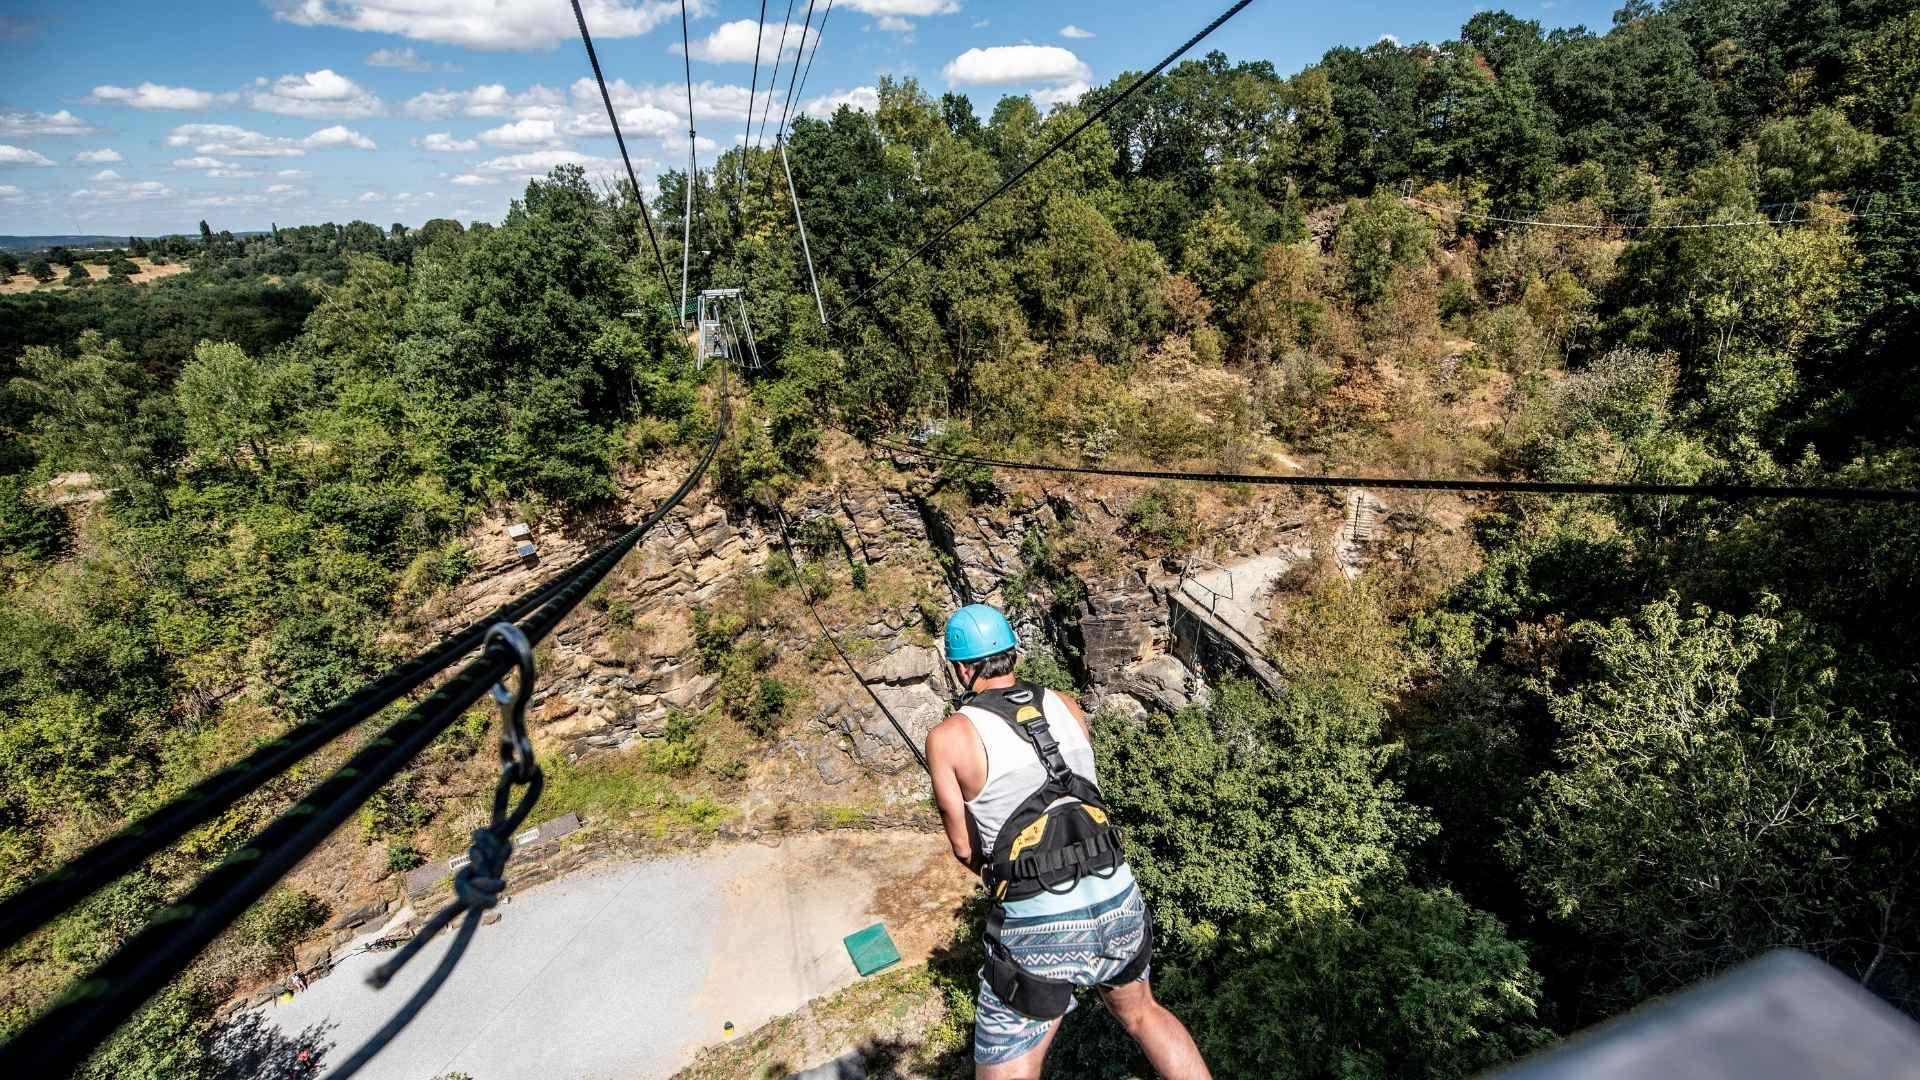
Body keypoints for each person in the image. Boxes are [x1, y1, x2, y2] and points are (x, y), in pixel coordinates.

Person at [926, 604, 1211, 1079]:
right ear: (1011, 653)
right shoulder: (1066, 703)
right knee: (1143, 1013)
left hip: (1040, 922)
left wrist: (1002, 873)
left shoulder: (949, 737)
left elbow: (964, 847)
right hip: (1118, 897)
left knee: (1009, 1060)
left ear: (961, 668)